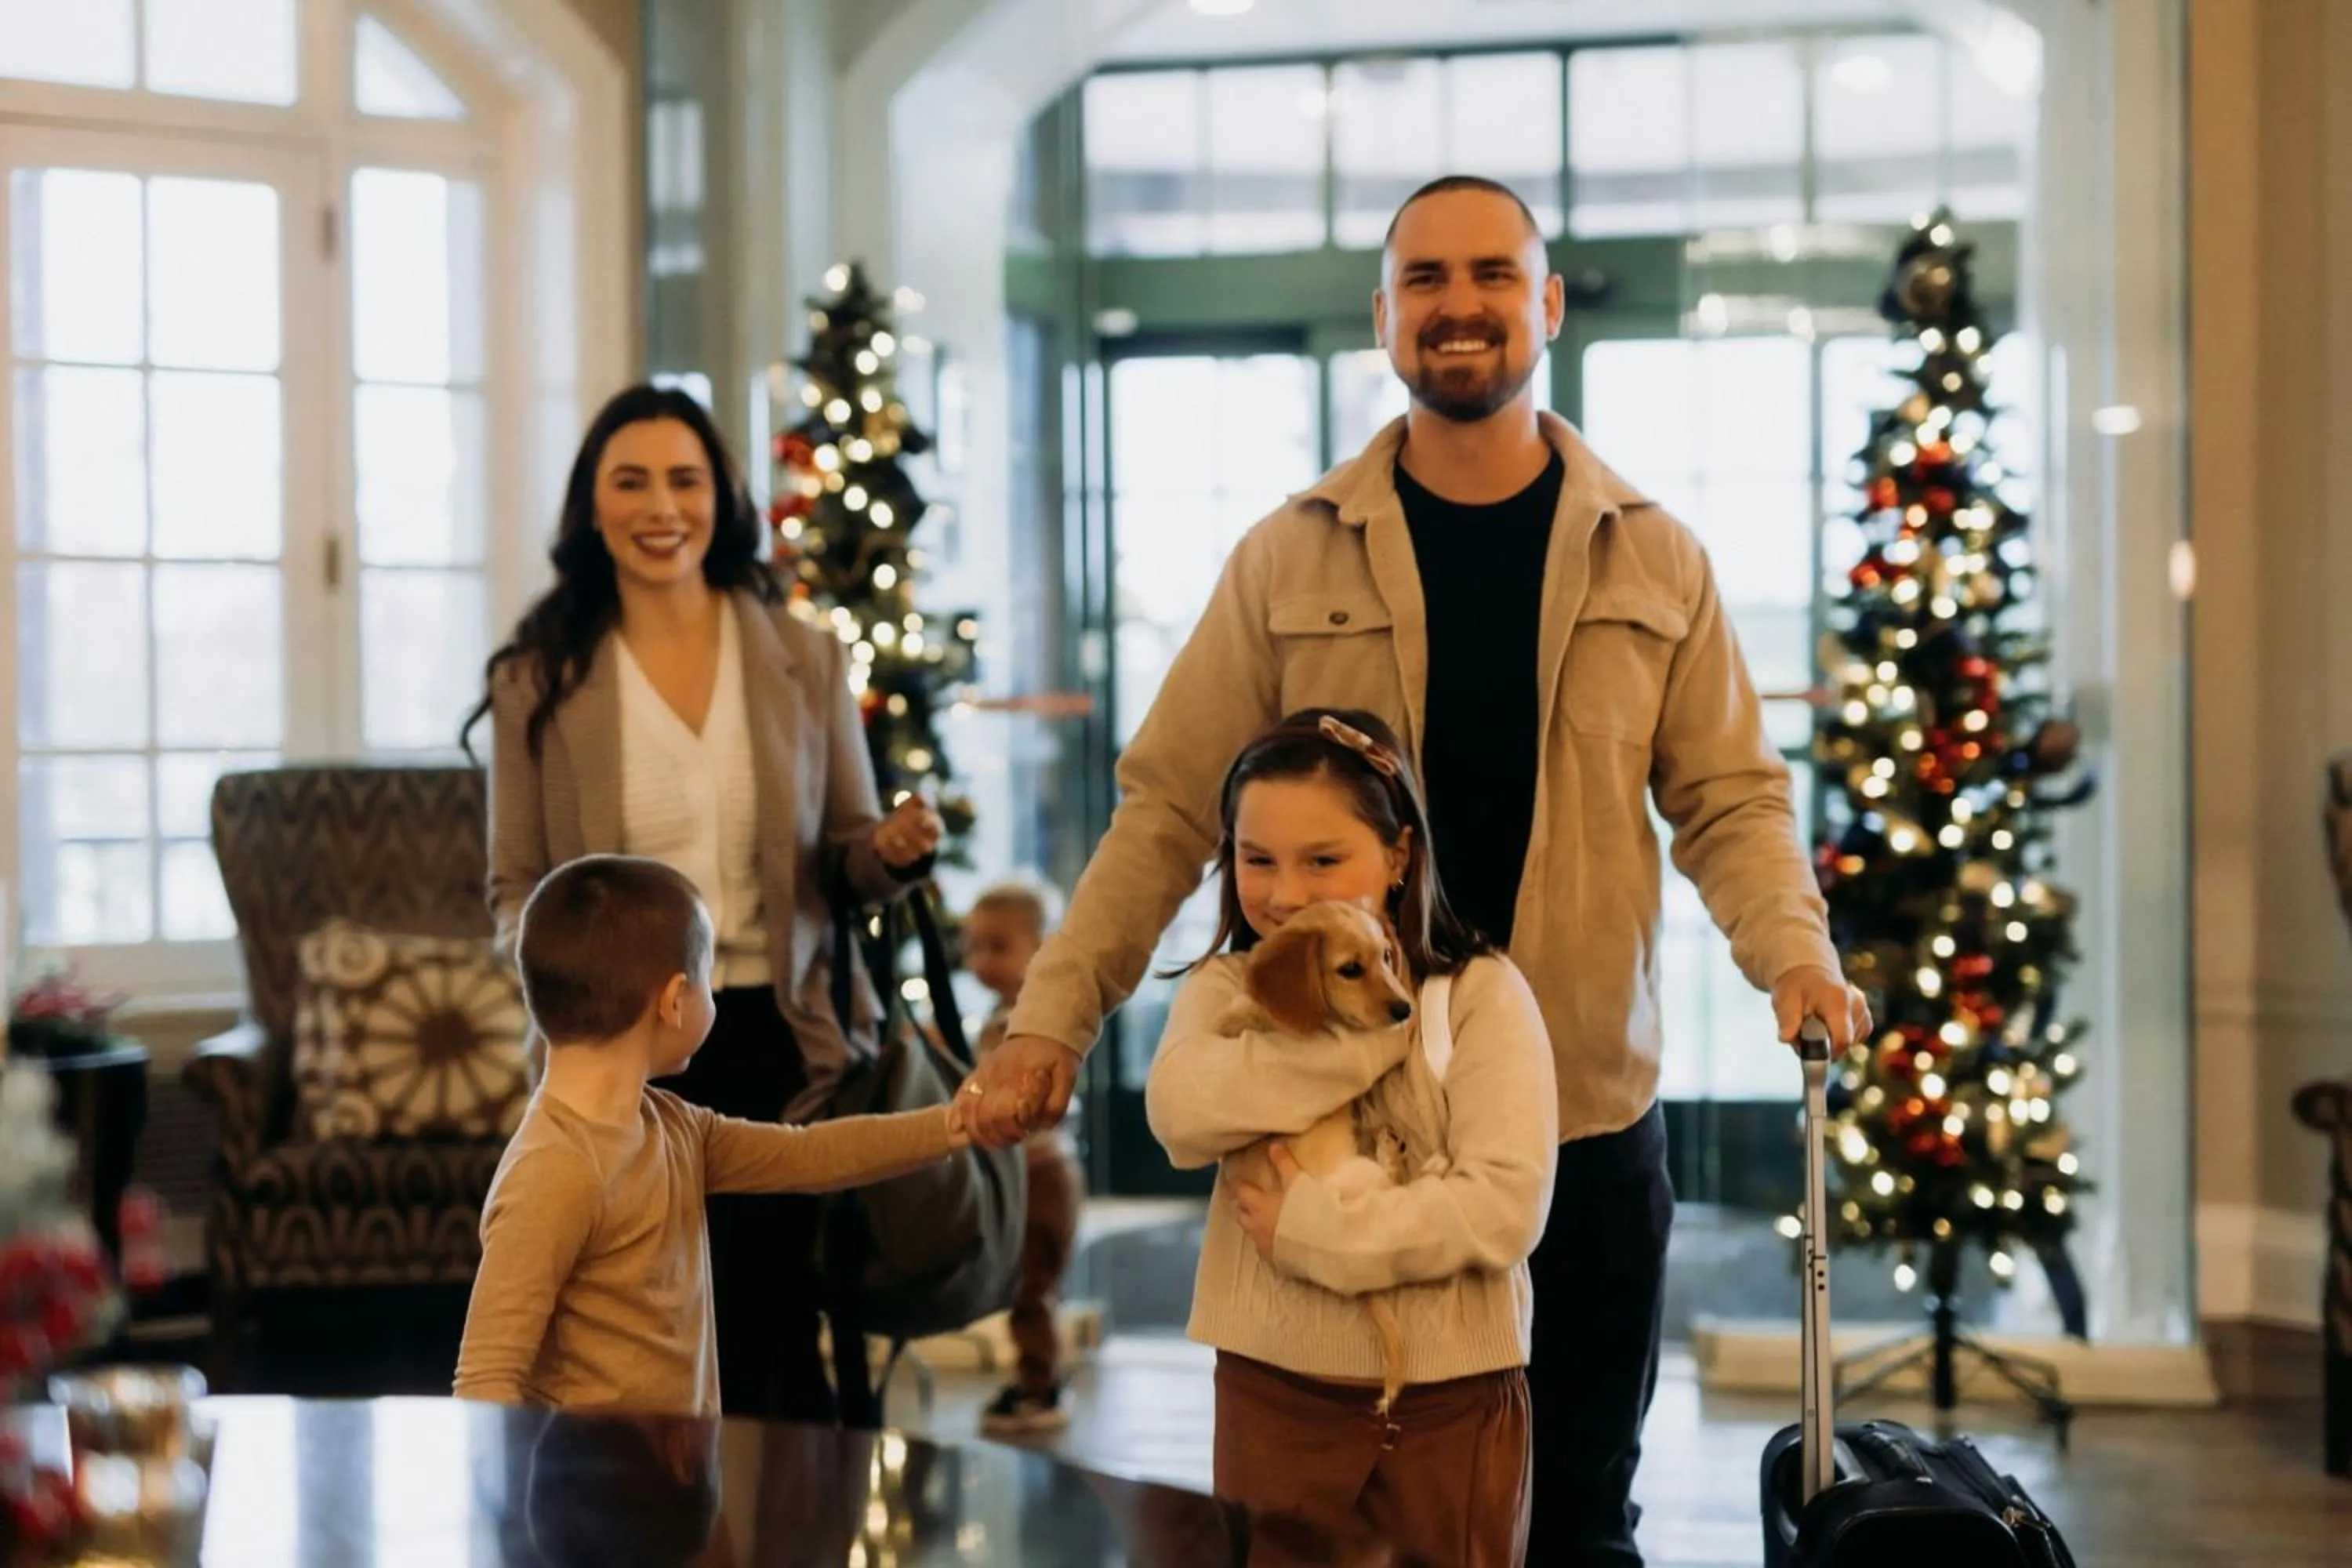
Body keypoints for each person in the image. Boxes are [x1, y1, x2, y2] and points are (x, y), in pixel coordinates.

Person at [964, 175, 1873, 1565]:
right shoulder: (1285, 557)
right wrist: (1053, 1019)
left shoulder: (1658, 557)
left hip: (1576, 1122)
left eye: (1495, 276)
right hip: (1341, 1124)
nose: (1463, 307)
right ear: (1386, 316)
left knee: (1575, 1515)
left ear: (1547, 305)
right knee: (1337, 1526)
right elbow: (1163, 812)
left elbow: (1733, 800)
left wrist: (1793, 953)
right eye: (1430, 281)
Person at [460, 383, 945, 1425]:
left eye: (684, 479)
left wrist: (893, 853)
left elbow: (848, 858)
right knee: (630, 1337)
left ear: (722, 501)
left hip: (776, 1029)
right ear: (592, 507)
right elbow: (513, 886)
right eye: (629, 481)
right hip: (615, 1049)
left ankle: (790, 1530)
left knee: (772, 1331)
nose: (659, 505)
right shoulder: (538, 679)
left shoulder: (802, 657)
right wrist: (566, 976)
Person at [1146, 709, 1554, 1567]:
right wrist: (1365, 1041)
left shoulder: (1480, 992)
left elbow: (1503, 1206)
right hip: (1272, 1395)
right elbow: (1180, 1112)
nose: (1286, 892)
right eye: (1256, 859)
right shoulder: (1225, 987)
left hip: (1449, 1404)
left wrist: (1313, 1234)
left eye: (1324, 859)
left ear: (1400, 855)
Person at [452, 855, 999, 1418]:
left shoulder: (675, 1128)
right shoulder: (553, 1171)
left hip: (675, 1484)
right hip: (589, 1500)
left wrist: (954, 1123)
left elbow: (809, 1154)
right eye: (709, 981)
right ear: (673, 1001)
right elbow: (488, 1373)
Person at [960, 880, 1087, 1437]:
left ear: (1042, 950)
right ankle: (1034, 1376)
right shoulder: (997, 1016)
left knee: (1032, 1284)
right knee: (1025, 1282)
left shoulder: (1035, 1025)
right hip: (1022, 1174)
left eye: (997, 946)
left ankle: (1040, 1386)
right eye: (974, 948)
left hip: (1041, 1175)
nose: (981, 961)